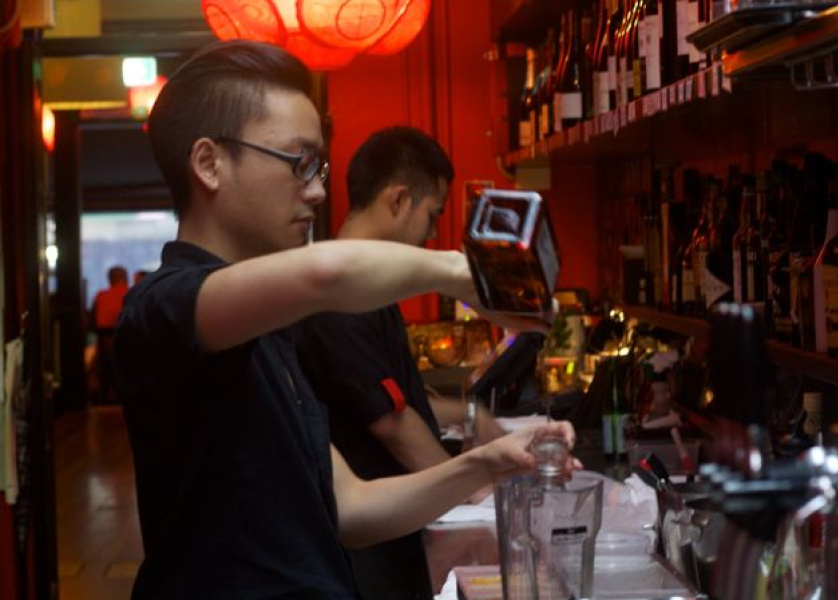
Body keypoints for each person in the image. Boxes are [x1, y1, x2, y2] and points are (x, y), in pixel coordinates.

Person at [113, 40, 577, 600]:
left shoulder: (264, 330)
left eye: (319, 166)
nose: (317, 190)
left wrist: (484, 464)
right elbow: (325, 273)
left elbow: (350, 507)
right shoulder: (164, 307)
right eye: (299, 163)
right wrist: (467, 274)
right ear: (210, 164)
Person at [295, 126, 506, 600]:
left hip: (390, 525)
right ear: (398, 199)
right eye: (432, 215)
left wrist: (469, 414)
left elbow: (398, 396)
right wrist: (474, 491)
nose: (431, 234)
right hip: (366, 544)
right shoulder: (339, 297)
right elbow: (392, 423)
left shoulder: (370, 287)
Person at [90, 265, 128, 404]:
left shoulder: (101, 296)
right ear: (125, 278)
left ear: (110, 279)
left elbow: (92, 320)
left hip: (104, 338)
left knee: (105, 369)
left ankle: (105, 397)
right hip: (126, 337)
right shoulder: (131, 293)